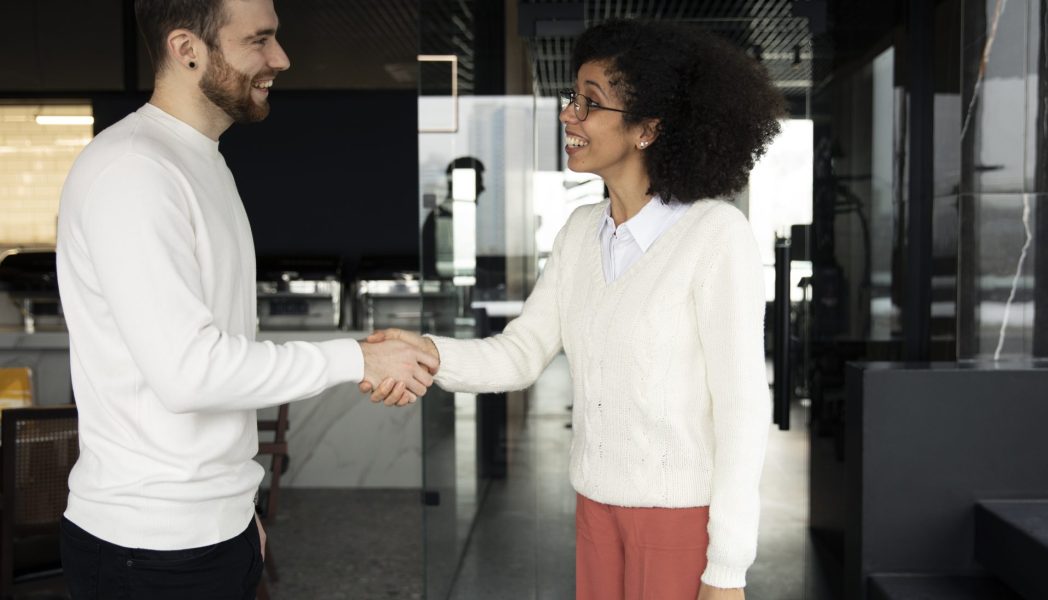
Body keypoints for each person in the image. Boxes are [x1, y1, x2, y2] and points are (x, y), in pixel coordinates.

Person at [365, 18, 785, 600]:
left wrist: (728, 567)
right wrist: (428, 353)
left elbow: (742, 406)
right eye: (572, 98)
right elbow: (520, 354)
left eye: (591, 103)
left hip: (676, 518)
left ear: (648, 128)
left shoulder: (714, 234)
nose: (569, 115)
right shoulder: (581, 231)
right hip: (594, 507)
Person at [54, 1, 437, 597]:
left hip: (210, 532)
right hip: (149, 551)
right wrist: (357, 357)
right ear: (188, 50)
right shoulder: (133, 171)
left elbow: (220, 362)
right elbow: (190, 374)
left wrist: (237, 511)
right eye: (259, 41)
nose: (280, 59)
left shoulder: (199, 161)